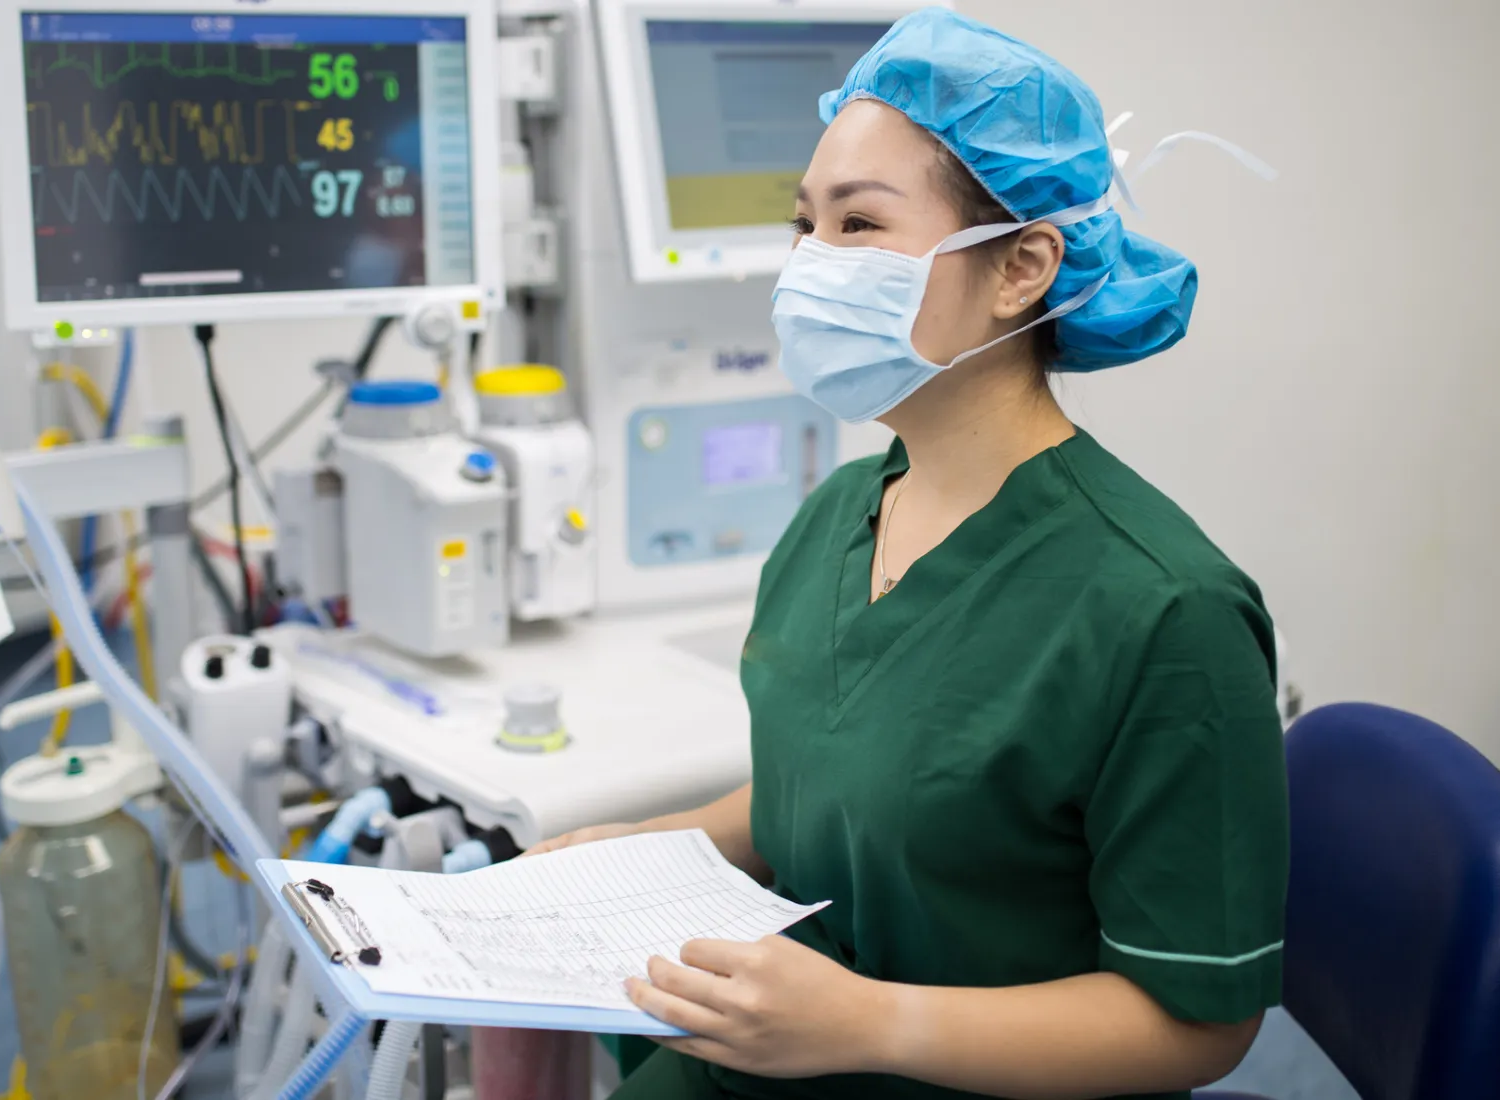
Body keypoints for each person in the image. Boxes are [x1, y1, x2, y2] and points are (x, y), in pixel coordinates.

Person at [530, 9, 1287, 1099]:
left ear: (1022, 265)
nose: (805, 266)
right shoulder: (839, 514)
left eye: (857, 226)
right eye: (803, 224)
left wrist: (870, 1023)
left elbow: (1195, 1025)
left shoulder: (1163, 610)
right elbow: (828, 784)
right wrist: (649, 847)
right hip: (772, 1059)